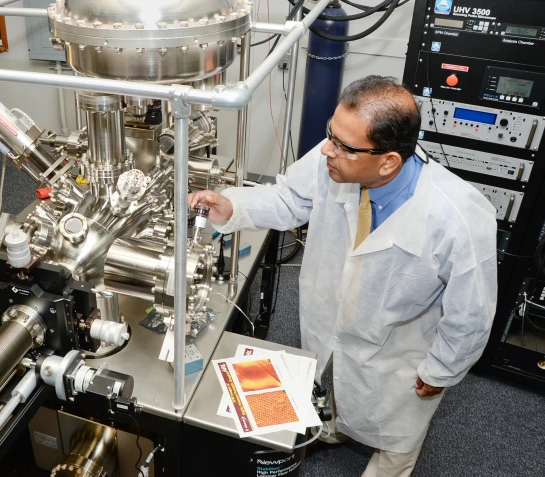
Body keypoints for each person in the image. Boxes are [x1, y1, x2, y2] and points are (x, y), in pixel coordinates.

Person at [189, 76, 497, 477]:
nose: (326, 150)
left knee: (396, 433)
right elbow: (289, 198)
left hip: (398, 353)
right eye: (330, 135)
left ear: (388, 161)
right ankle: (332, 428)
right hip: (327, 316)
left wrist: (441, 369)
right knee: (330, 388)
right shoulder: (335, 162)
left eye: (343, 146)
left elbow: (471, 313)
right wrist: (232, 207)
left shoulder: (459, 217)